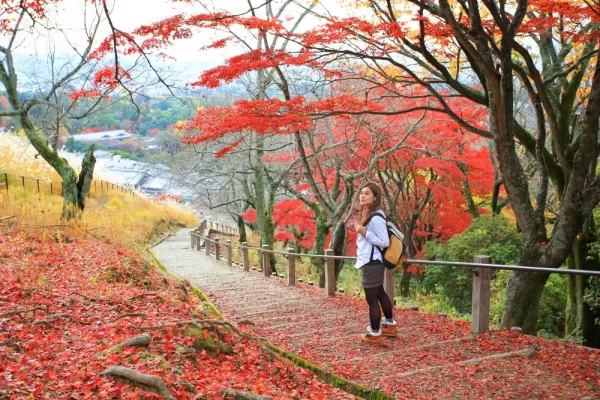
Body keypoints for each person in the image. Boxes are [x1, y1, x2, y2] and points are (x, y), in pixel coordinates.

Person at [354, 182, 398, 345]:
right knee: (379, 293)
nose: (362, 196)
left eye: (367, 193)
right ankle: (390, 326)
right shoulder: (369, 213)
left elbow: (384, 242)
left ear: (375, 197)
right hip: (371, 261)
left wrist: (364, 232)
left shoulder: (376, 217)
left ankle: (374, 334)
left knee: (372, 300)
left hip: (373, 263)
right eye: (361, 193)